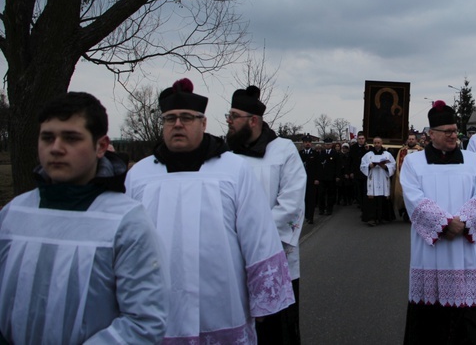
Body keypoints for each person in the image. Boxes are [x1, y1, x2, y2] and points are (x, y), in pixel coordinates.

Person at [126, 78, 294, 343]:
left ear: (203, 123)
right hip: (154, 306)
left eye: (186, 118)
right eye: (170, 119)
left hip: (221, 303)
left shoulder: (232, 170)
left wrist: (263, 297)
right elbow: (125, 241)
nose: (178, 124)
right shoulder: (140, 175)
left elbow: (258, 234)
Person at [0, 92, 169, 343]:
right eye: (47, 137)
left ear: (101, 146)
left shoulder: (127, 223)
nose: (56, 148)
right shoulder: (13, 214)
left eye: (71, 138)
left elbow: (144, 320)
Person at [401, 100, 476, 344]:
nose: (454, 135)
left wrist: (462, 221)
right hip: (431, 253)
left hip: (466, 252)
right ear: (431, 134)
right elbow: (414, 199)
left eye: (455, 130)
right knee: (430, 327)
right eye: (448, 131)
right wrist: (444, 223)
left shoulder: (474, 162)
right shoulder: (413, 163)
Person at [226, 85, 306, 345]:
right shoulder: (225, 156)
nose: (228, 121)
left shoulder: (283, 150)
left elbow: (291, 204)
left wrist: (252, 239)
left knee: (276, 332)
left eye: (233, 116)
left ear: (253, 120)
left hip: (274, 258)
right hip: (232, 258)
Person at [360, 136, 396, 227]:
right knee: (372, 199)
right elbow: (362, 165)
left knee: (383, 197)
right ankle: (371, 218)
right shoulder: (368, 155)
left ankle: (383, 217)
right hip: (373, 178)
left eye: (378, 142)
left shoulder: (387, 154)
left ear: (381, 143)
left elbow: (393, 165)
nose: (377, 144)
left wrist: (385, 167)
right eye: (375, 142)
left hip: (383, 177)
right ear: (373, 143)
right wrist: (369, 166)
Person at [393, 133, 423, 222]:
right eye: (409, 139)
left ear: (416, 140)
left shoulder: (421, 150)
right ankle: (405, 212)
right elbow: (398, 163)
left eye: (413, 139)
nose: (411, 141)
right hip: (404, 176)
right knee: (404, 195)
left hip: (416, 177)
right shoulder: (402, 151)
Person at [316, 137, 340, 215]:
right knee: (321, 194)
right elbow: (318, 166)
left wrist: (337, 176)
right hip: (322, 178)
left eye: (329, 144)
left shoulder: (335, 153)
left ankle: (329, 209)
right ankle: (321, 209)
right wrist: (318, 177)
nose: (328, 145)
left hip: (331, 177)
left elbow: (337, 165)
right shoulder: (321, 153)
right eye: (326, 144)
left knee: (331, 194)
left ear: (331, 144)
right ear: (324, 145)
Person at [299, 135, 319, 224]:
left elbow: (318, 168)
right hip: (302, 181)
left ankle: (311, 217)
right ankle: (306, 215)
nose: (307, 143)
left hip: (312, 180)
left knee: (311, 199)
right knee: (304, 199)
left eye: (309, 142)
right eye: (306, 142)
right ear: (303, 143)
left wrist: (317, 178)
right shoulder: (300, 154)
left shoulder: (315, 154)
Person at [348, 132, 370, 207]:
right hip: (356, 172)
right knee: (357, 189)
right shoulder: (353, 148)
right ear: (357, 139)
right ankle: (360, 202)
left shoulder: (367, 147)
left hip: (365, 172)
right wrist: (351, 172)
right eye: (359, 139)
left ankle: (364, 204)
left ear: (365, 139)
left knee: (365, 189)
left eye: (362, 139)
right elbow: (350, 160)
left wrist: (367, 150)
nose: (361, 140)